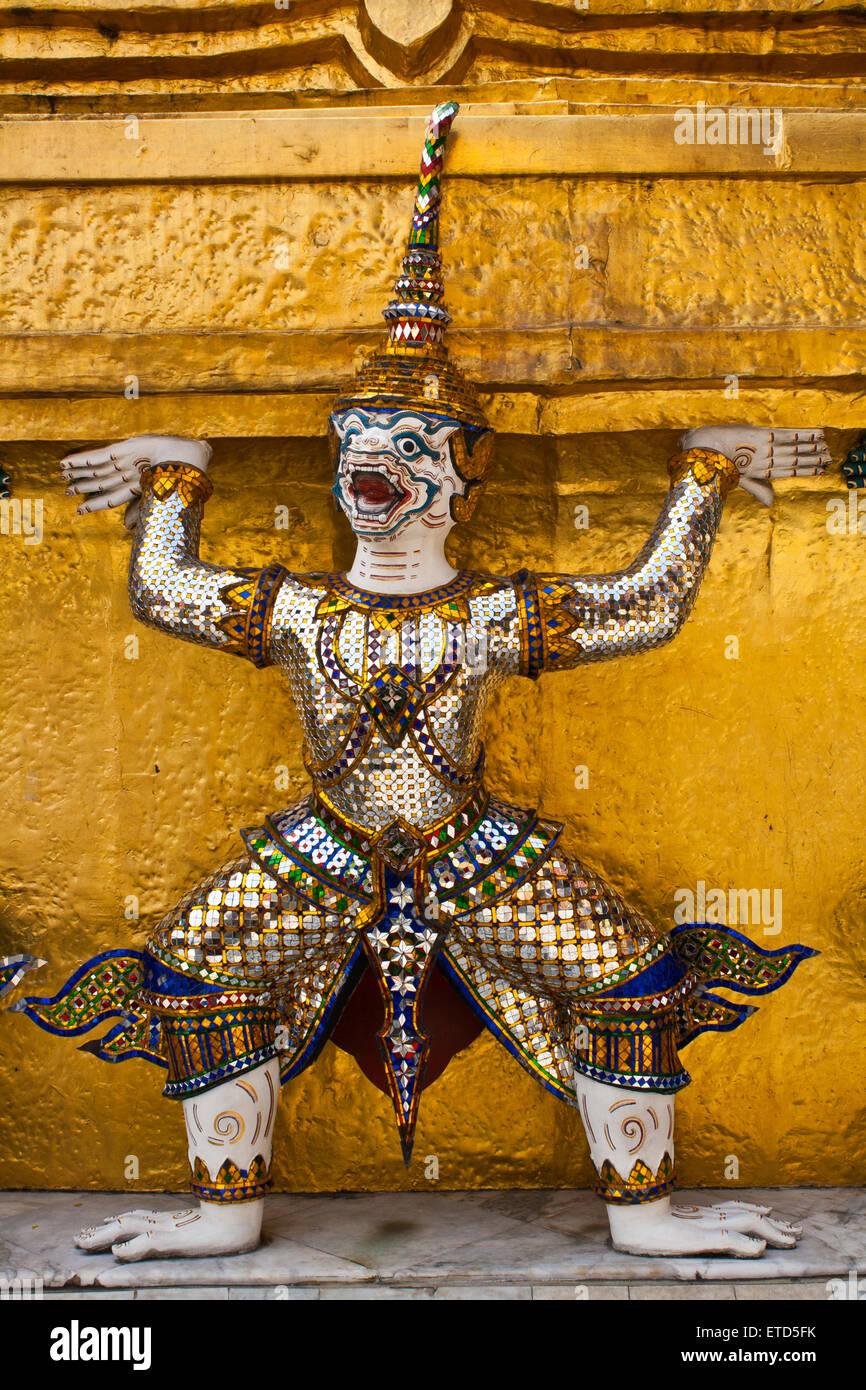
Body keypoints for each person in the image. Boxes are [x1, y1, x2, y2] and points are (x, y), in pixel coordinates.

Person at [10, 102, 827, 1261]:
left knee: (636, 977)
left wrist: (703, 470)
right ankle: (220, 1211)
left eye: (406, 443)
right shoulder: (300, 609)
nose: (371, 463)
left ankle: (644, 1213)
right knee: (190, 975)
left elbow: (645, 606)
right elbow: (166, 595)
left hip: (476, 847)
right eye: (358, 439)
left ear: (460, 474)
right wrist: (173, 479)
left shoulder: (491, 613)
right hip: (324, 843)